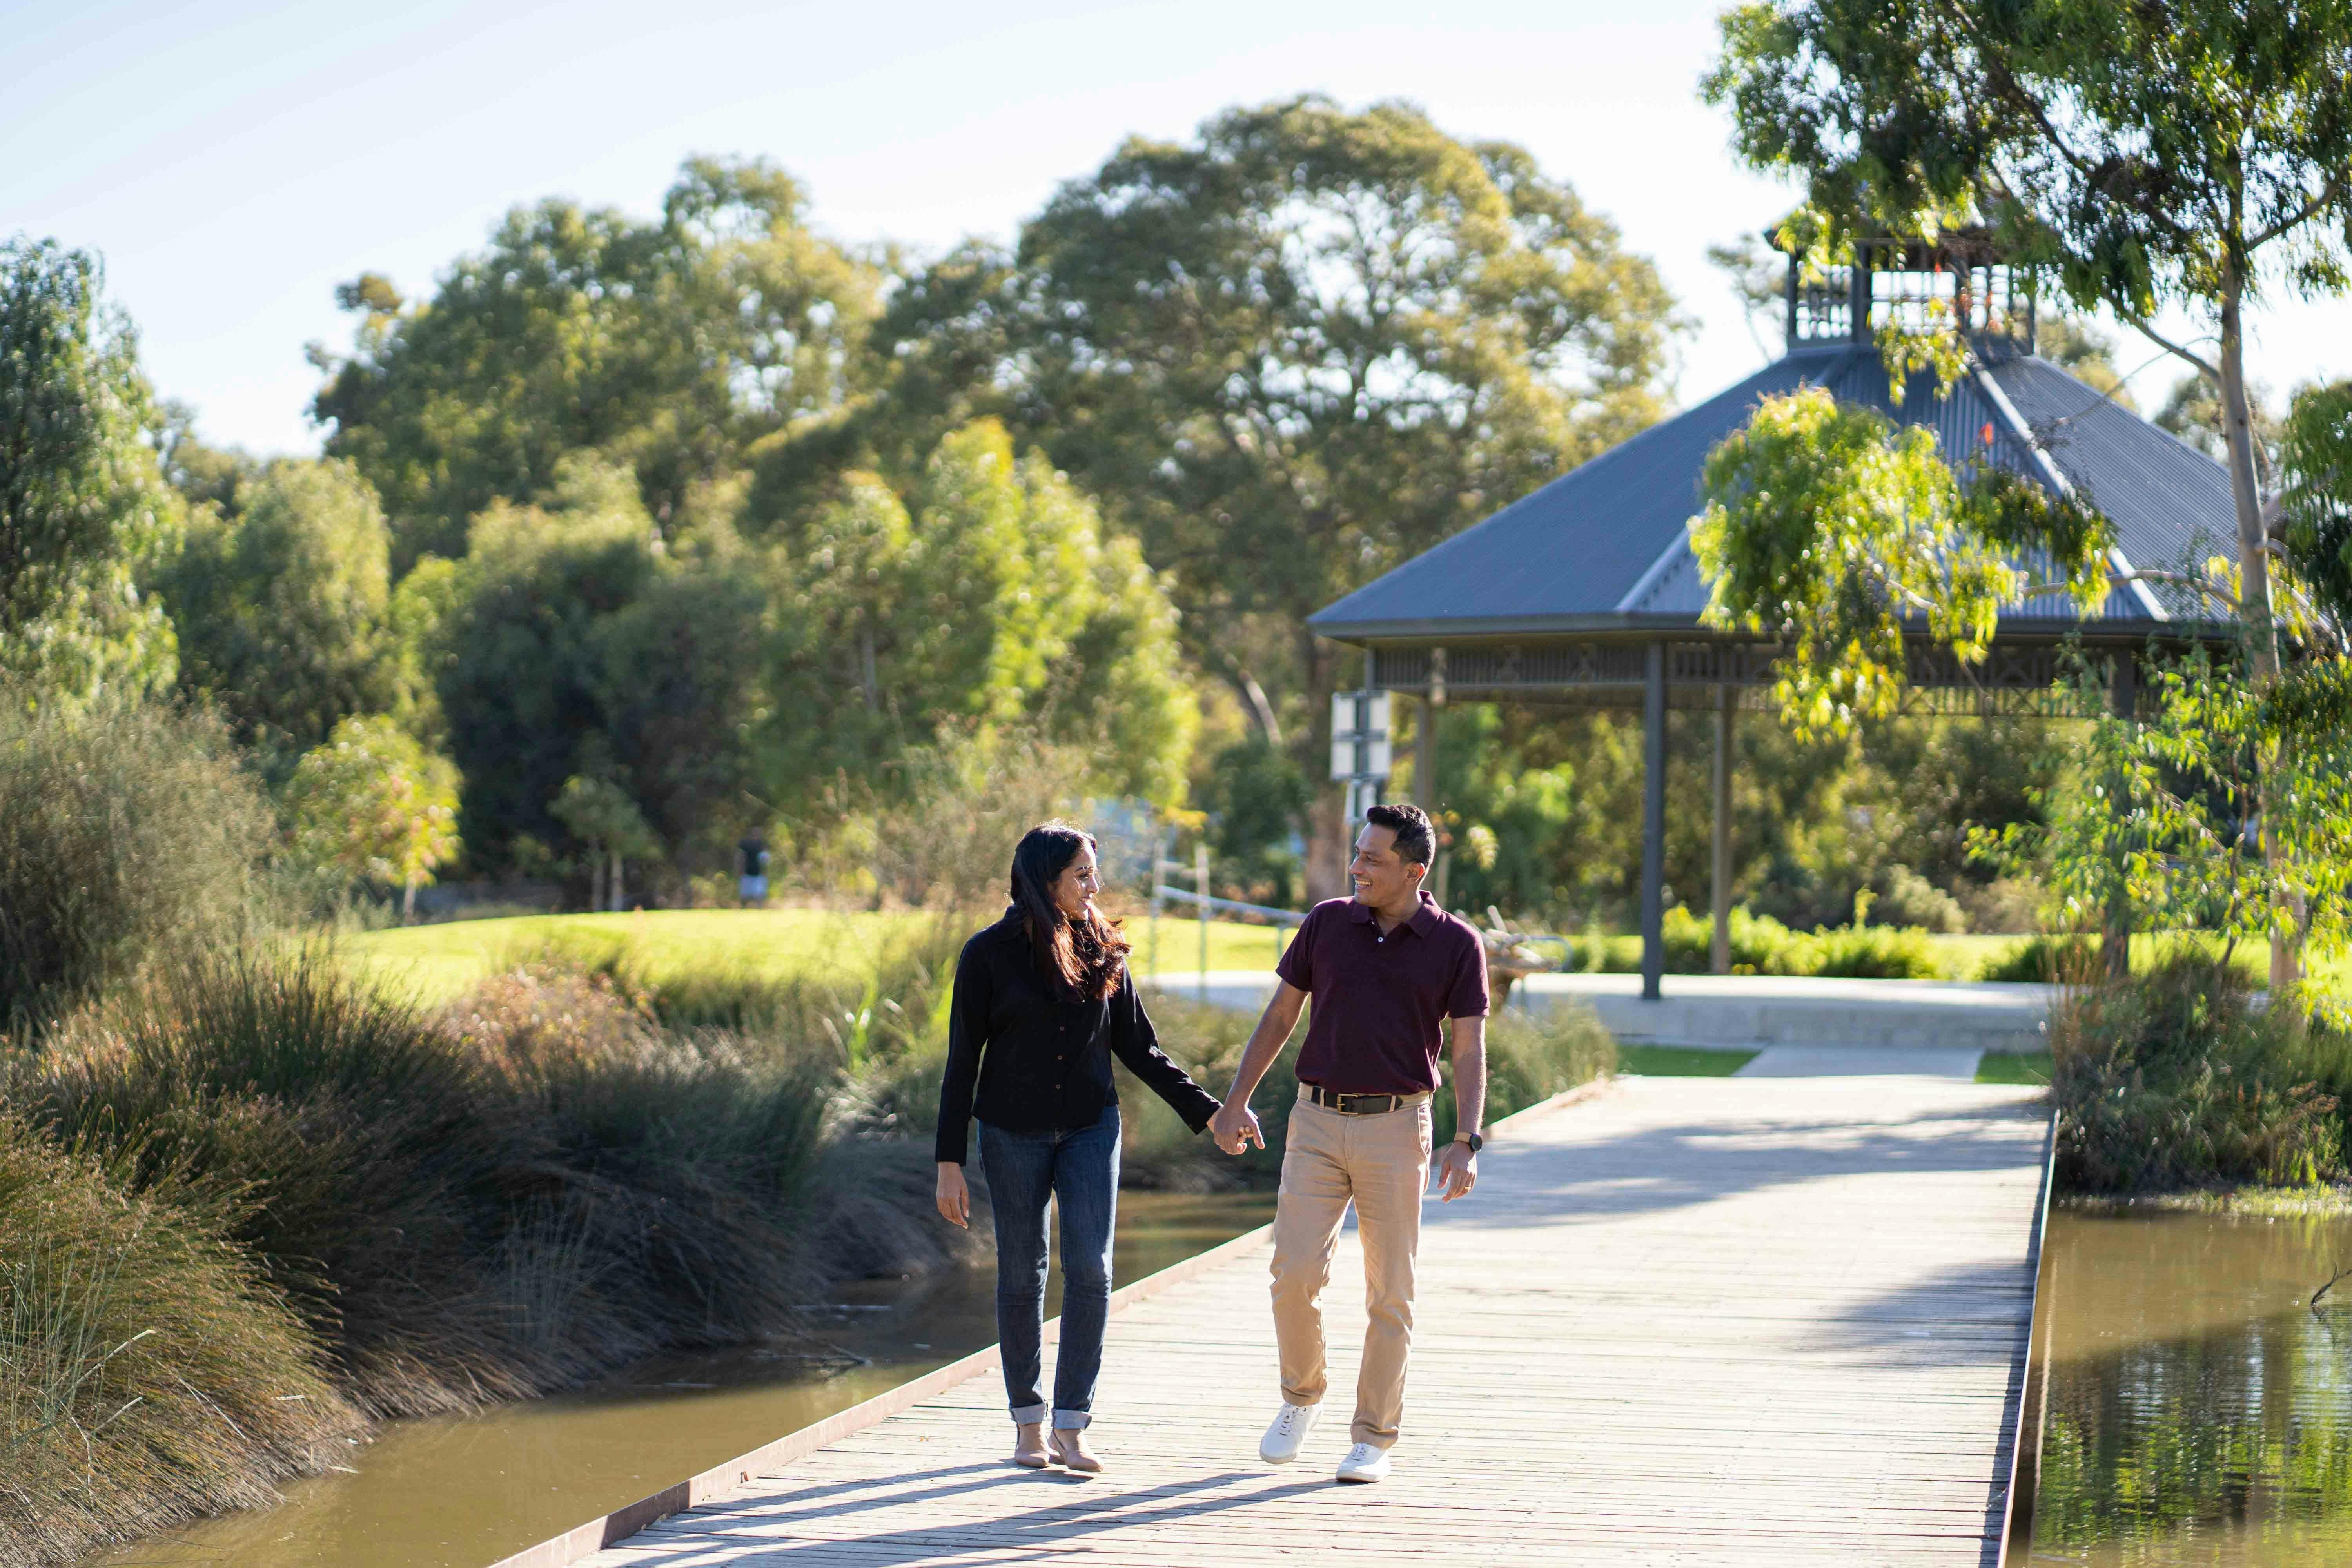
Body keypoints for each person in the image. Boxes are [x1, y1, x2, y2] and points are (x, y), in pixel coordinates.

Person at [1207, 802, 1487, 1485]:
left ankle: (1374, 1436)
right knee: (1293, 1273)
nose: (1356, 866)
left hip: (1399, 1127)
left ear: (1414, 872)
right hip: (1316, 1123)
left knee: (1391, 1290)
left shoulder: (1456, 944)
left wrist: (1467, 1139)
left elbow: (1471, 1047)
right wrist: (1235, 1100)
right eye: (1357, 854)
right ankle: (1302, 1396)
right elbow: (1281, 1015)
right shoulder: (1328, 923)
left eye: (1372, 859)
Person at [935, 822, 1226, 1472]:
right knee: (1022, 1272)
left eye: (1093, 873)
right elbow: (962, 1063)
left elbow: (1141, 1048)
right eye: (1082, 875)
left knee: (1092, 1271)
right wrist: (948, 1162)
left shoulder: (1104, 947)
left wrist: (1210, 1113)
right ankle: (1028, 1422)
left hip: (1092, 1128)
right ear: (1046, 881)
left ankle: (1072, 1423)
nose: (1094, 885)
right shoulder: (986, 955)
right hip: (1010, 1133)